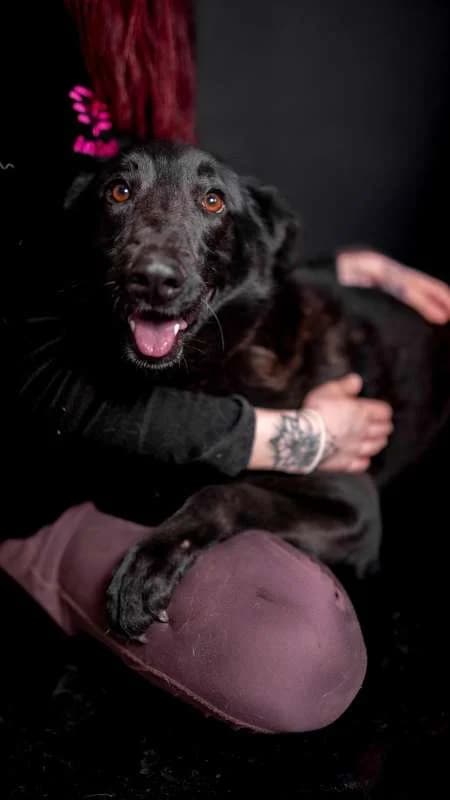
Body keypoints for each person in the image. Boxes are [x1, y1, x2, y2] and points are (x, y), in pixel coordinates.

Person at [0, 0, 449, 734]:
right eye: (121, 190)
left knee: (305, 652)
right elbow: (38, 373)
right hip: (37, 484)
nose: (155, 269)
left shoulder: (132, 44)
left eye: (210, 201)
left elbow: (222, 256)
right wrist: (298, 435)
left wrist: (330, 269)